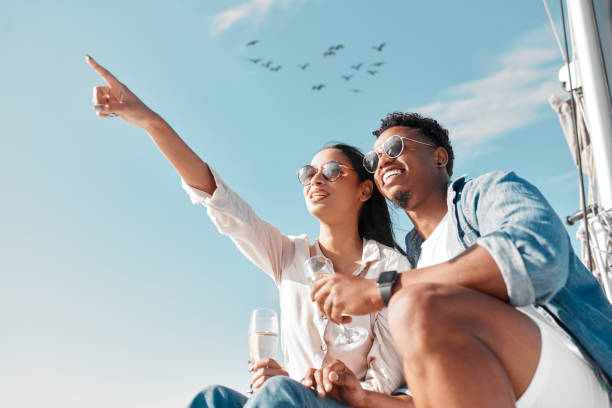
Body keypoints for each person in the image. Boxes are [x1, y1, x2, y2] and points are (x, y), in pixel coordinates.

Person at [85, 56, 413, 408]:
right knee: (213, 398)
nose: (316, 179)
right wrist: (150, 122)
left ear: (365, 190)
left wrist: (334, 388)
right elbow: (219, 201)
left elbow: (387, 377)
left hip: (356, 404)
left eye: (332, 170)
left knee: (277, 394)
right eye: (308, 173)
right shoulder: (289, 255)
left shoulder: (390, 267)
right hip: (295, 397)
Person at [311, 112, 612, 407]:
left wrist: (380, 289)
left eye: (395, 148)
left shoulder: (483, 195)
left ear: (439, 157)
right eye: (373, 161)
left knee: (412, 304)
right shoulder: (415, 258)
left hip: (569, 383)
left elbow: (535, 254)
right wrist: (365, 398)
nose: (383, 162)